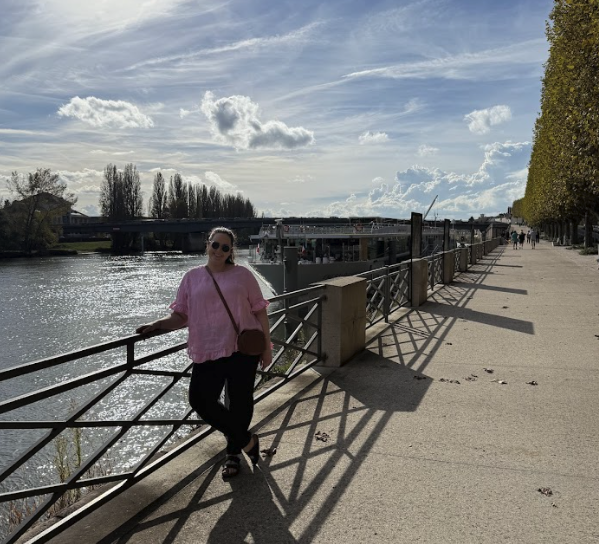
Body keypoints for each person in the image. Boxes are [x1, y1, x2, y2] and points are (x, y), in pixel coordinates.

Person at [136, 227, 272, 480]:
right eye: (215, 244)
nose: (219, 250)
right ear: (207, 244)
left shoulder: (243, 275)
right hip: (208, 348)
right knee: (200, 400)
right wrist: (158, 324)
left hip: (243, 349)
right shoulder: (192, 277)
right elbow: (181, 315)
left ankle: (233, 454)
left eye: (225, 247)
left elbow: (260, 311)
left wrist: (267, 348)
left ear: (231, 251)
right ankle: (246, 441)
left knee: (240, 402)